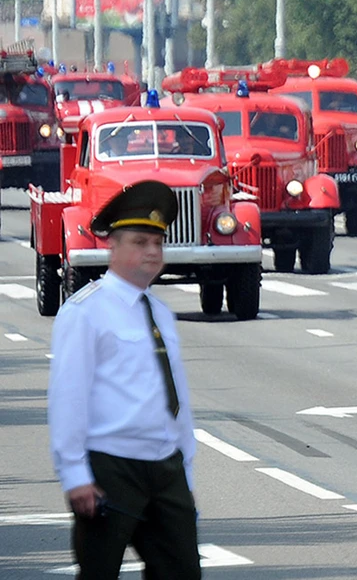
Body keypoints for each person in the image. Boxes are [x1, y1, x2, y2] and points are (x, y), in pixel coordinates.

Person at [48, 180, 201, 579]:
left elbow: (174, 392)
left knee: (182, 572)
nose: (152, 252)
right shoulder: (86, 312)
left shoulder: (160, 313)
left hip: (164, 467)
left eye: (157, 243)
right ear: (112, 247)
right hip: (111, 467)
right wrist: (75, 475)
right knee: (99, 573)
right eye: (139, 241)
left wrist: (185, 462)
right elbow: (68, 396)